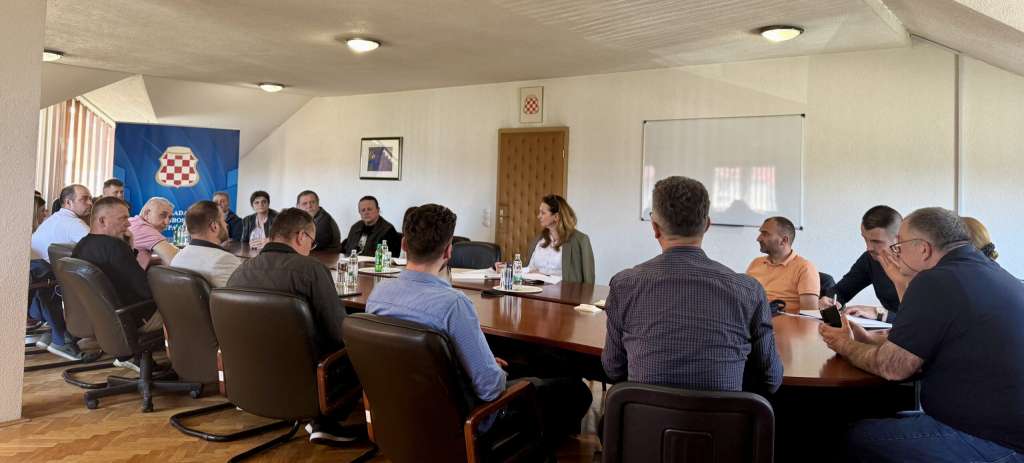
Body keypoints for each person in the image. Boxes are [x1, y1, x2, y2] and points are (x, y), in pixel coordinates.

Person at [367, 204, 591, 454]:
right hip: (468, 424)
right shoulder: (453, 305)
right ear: (448, 251)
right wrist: (491, 369)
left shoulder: (378, 295)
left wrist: (472, 362)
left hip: (405, 412)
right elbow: (491, 388)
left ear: (404, 245)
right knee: (576, 391)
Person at [820, 207, 1024, 462]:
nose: (895, 253)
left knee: (852, 436)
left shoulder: (935, 281)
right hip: (1004, 429)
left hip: (993, 441)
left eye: (899, 245)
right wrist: (867, 338)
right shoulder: (990, 272)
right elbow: (918, 341)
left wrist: (843, 343)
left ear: (924, 249)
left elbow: (893, 367)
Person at [603, 176, 782, 395]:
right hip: (723, 416)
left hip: (642, 416)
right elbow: (771, 379)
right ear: (706, 225)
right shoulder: (748, 291)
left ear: (655, 228)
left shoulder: (624, 285)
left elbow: (613, 368)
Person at [226, 207, 357, 445]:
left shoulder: (239, 272)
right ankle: (325, 422)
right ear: (301, 236)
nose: (311, 249)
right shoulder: (311, 270)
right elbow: (337, 332)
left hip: (252, 374)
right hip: (310, 379)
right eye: (312, 242)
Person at [73, 197, 162, 333]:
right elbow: (146, 290)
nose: (128, 224)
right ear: (102, 221)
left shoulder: (81, 245)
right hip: (133, 318)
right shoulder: (115, 247)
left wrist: (129, 247)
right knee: (186, 310)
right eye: (123, 218)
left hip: (101, 319)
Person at [28, 185, 95, 360]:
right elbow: (98, 249)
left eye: (90, 198)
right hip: (49, 281)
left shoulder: (53, 219)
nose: (90, 203)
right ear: (68, 202)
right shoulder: (73, 223)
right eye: (84, 199)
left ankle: (57, 333)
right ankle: (63, 336)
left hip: (38, 281)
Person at [819, 206, 902, 322]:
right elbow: (841, 291)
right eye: (865, 239)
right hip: (889, 329)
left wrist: (880, 313)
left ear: (898, 238)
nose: (868, 248)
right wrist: (830, 301)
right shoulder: (870, 259)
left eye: (876, 242)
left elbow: (924, 318)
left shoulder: (919, 263)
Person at [746, 216, 820, 313]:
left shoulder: (804, 268)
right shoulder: (756, 263)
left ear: (784, 240)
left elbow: (810, 315)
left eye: (765, 234)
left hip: (782, 321)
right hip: (752, 319)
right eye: (760, 233)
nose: (758, 238)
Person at [523, 194, 595, 284]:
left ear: (556, 217)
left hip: (565, 292)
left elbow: (589, 281)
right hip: (536, 290)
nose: (538, 216)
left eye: (543, 213)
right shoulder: (538, 240)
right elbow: (529, 269)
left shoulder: (581, 240)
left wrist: (545, 276)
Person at [169, 200, 241, 287]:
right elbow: (242, 293)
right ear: (214, 226)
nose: (226, 224)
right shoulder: (225, 260)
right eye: (223, 220)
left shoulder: (177, 258)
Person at [128, 197, 178, 269]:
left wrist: (160, 259)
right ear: (147, 213)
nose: (167, 222)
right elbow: (177, 259)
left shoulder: (133, 221)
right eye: (163, 215)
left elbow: (137, 259)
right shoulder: (144, 229)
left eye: (170, 217)